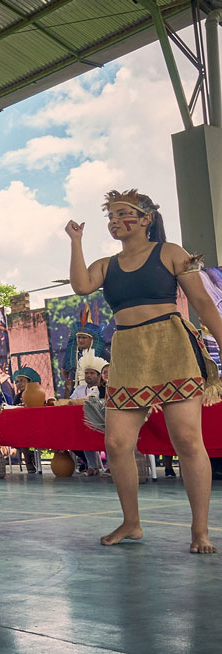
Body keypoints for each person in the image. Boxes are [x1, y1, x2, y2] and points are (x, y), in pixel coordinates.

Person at [67, 188, 221, 553]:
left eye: (124, 214)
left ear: (146, 219)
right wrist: (76, 241)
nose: (116, 221)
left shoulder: (170, 253)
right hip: (129, 352)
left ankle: (200, 530)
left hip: (171, 346)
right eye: (111, 216)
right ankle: (131, 523)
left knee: (186, 439)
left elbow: (202, 303)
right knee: (117, 443)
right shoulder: (107, 265)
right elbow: (80, 285)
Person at [68, 350, 109, 476]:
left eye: (92, 373)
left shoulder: (106, 388)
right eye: (86, 373)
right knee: (82, 432)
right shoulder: (79, 389)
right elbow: (69, 403)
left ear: (99, 375)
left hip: (104, 422)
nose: (88, 376)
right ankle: (92, 466)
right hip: (85, 423)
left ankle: (111, 466)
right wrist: (68, 389)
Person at [11, 367, 43, 473]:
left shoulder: (38, 394)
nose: (19, 384)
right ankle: (29, 457)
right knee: (19, 435)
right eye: (17, 381)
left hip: (37, 426)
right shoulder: (17, 397)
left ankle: (29, 460)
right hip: (21, 427)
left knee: (23, 435)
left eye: (22, 381)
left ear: (30, 382)